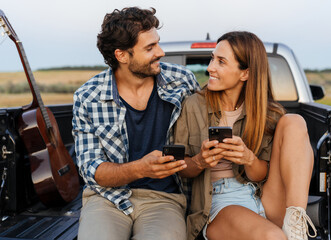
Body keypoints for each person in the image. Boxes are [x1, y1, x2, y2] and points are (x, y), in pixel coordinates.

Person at [72, 7, 199, 240]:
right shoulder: (88, 96)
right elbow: (92, 170)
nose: (160, 52)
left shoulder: (183, 81)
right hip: (106, 197)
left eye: (157, 43)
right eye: (150, 48)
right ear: (121, 55)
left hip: (164, 199)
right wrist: (141, 167)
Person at [175, 31, 317, 240]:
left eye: (221, 62)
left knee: (295, 121)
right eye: (212, 58)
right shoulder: (194, 105)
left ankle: (297, 224)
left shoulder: (268, 113)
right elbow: (179, 168)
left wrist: (248, 158)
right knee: (273, 237)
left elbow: (261, 175)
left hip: (264, 194)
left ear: (245, 74)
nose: (210, 68)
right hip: (220, 202)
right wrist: (200, 161)